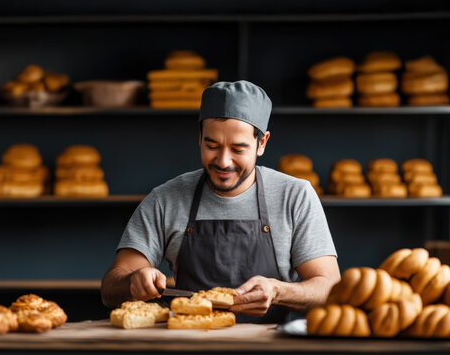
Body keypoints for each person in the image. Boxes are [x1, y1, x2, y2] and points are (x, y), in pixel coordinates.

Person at [101, 80, 339, 323]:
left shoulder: (295, 196)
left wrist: (278, 291)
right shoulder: (165, 199)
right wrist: (133, 281)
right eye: (212, 145)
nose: (223, 161)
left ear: (262, 143)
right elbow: (110, 288)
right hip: (190, 348)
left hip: (270, 349)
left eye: (238, 149)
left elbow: (330, 289)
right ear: (200, 137)